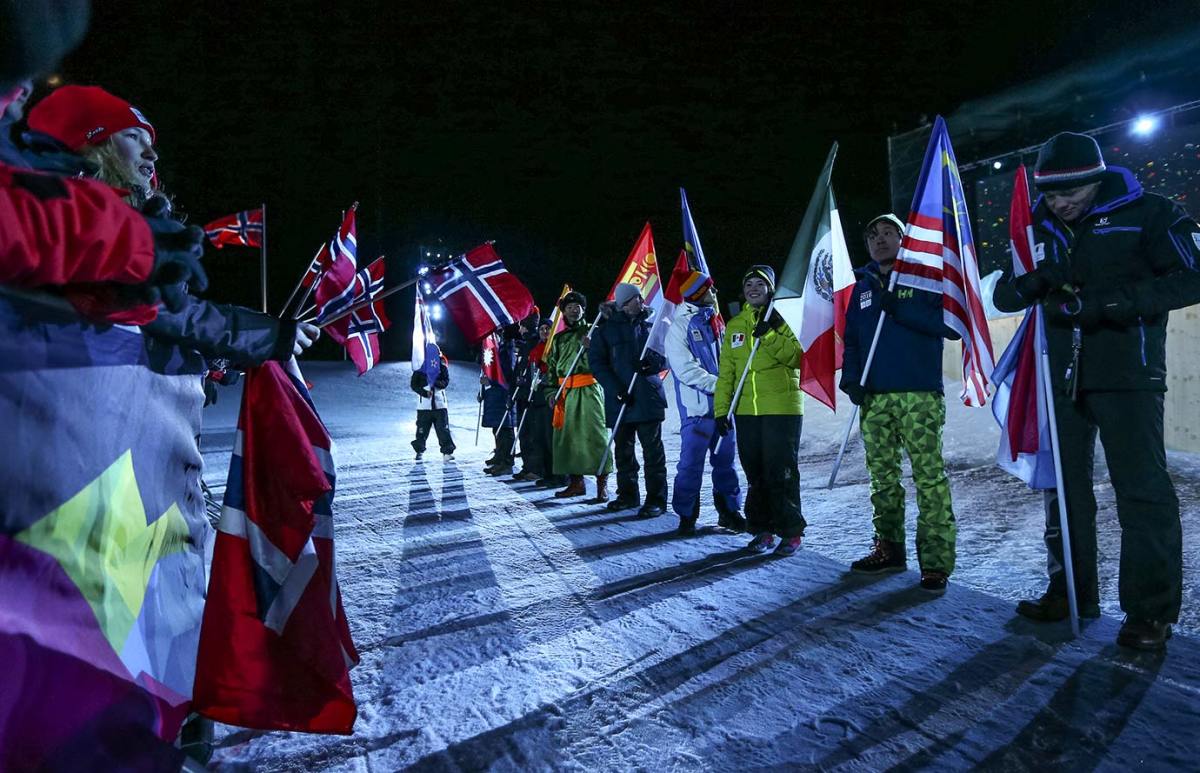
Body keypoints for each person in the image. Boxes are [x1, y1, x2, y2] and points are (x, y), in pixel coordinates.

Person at [992, 132, 1200, 650]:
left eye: (1073, 190)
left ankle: (1149, 611)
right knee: (1063, 490)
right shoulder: (1037, 225)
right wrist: (1032, 283)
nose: (1061, 202)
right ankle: (1071, 591)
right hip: (1060, 375)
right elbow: (1003, 291)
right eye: (1052, 192)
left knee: (1141, 490)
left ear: (1097, 178)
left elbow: (1193, 276)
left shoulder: (1150, 212)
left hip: (1128, 373)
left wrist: (1109, 304)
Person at [25, 84, 318, 362]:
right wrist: (268, 335)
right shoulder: (71, 215)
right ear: (92, 146)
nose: (152, 153)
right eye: (131, 136)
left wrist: (206, 362)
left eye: (150, 142)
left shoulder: (122, 218)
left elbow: (150, 328)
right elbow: (153, 311)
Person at [839, 214, 960, 593]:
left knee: (928, 477)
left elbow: (951, 325)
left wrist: (901, 308)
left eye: (888, 233)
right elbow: (854, 340)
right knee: (883, 478)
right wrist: (851, 379)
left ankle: (936, 562)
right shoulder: (862, 288)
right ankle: (889, 547)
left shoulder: (925, 278)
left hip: (918, 393)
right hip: (875, 397)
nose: (880, 240)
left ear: (904, 239)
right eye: (873, 235)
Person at [713, 265, 804, 556]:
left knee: (781, 471)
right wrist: (721, 411)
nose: (754, 288)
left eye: (760, 284)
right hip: (746, 410)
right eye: (749, 283)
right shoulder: (736, 324)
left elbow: (796, 357)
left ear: (770, 289)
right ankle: (762, 529)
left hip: (781, 408)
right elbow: (727, 372)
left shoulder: (784, 318)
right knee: (756, 473)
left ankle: (790, 532)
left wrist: (771, 334)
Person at [664, 270, 744, 534]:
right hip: (697, 411)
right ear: (699, 294)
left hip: (724, 409)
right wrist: (721, 386)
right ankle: (687, 516)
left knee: (725, 463)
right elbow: (684, 369)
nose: (715, 292)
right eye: (710, 289)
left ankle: (730, 511)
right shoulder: (680, 327)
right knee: (690, 465)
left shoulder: (716, 320)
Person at [591, 282, 669, 518]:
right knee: (624, 452)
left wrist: (653, 364)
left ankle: (656, 499)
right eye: (636, 299)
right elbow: (597, 364)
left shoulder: (653, 325)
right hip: (620, 401)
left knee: (652, 453)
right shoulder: (605, 331)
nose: (641, 302)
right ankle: (627, 495)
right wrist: (616, 389)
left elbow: (668, 355)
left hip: (648, 397)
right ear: (624, 304)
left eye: (640, 298)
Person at [543, 290, 611, 500]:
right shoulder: (558, 339)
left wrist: (592, 348)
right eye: (570, 306)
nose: (574, 309)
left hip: (590, 390)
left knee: (596, 437)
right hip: (566, 393)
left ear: (583, 310)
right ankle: (576, 483)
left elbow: (607, 359)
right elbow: (552, 370)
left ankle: (602, 485)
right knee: (568, 440)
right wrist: (551, 392)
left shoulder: (595, 332)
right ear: (563, 311)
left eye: (578, 306)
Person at [480, 326, 519, 476]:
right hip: (495, 394)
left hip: (504, 393)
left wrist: (491, 381)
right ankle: (499, 456)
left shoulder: (507, 347)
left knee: (505, 428)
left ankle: (506, 462)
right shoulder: (496, 345)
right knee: (497, 428)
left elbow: (507, 373)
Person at [411, 349, 455, 461]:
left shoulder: (442, 368)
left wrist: (434, 382)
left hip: (440, 405)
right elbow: (413, 385)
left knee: (443, 430)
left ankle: (447, 452)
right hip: (424, 407)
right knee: (422, 430)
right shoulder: (420, 370)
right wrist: (424, 392)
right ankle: (419, 451)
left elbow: (445, 382)